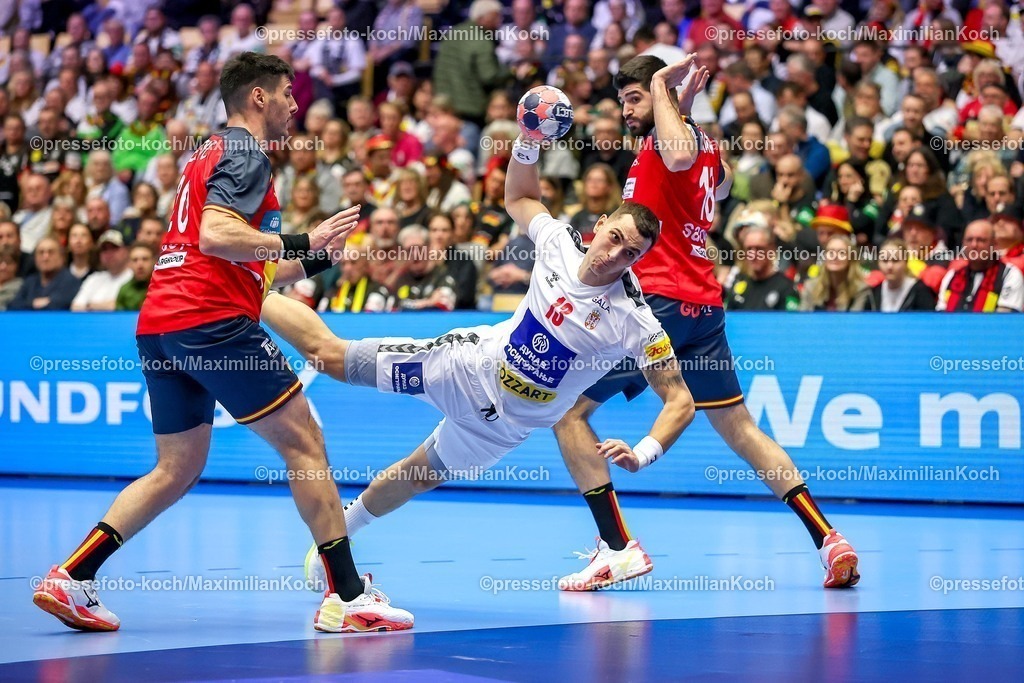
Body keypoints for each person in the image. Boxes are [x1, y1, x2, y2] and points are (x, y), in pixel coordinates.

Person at [31, 52, 413, 635]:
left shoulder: (205, 155)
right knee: (306, 442)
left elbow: (244, 262)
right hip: (210, 321)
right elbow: (217, 235)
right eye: (286, 93)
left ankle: (73, 576)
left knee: (177, 467)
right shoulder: (246, 152)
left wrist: (316, 256)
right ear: (258, 96)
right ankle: (348, 596)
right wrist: (302, 237)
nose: (294, 104)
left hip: (162, 323)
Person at [282, 133, 694, 590]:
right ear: (599, 225)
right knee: (330, 358)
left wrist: (643, 452)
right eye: (614, 238)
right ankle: (250, 290)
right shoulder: (559, 242)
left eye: (630, 253)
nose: (614, 255)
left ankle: (340, 532)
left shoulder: (635, 319)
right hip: (461, 369)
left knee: (415, 475)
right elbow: (519, 197)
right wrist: (528, 142)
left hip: (499, 431)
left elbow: (680, 400)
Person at [553, 55, 860, 592]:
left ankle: (617, 549)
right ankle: (828, 539)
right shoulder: (702, 146)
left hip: (657, 306)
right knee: (740, 427)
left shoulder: (668, 143)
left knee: (569, 414)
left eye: (635, 98)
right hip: (703, 308)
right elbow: (715, 187)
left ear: (661, 97)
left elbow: (678, 154)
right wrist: (683, 110)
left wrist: (663, 89)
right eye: (623, 100)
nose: (626, 110)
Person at [936, 219, 1024, 312]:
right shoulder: (952, 276)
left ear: (994, 244)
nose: (974, 245)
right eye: (969, 240)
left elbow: (1006, 318)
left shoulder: (1009, 275)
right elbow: (941, 315)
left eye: (981, 240)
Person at [870, 238, 938, 312]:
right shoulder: (874, 293)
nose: (889, 266)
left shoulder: (921, 292)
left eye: (895, 261)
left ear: (906, 262)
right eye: (885, 261)